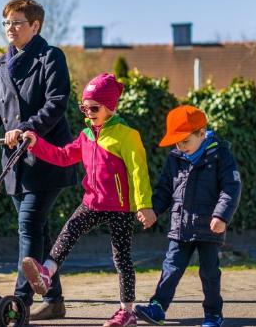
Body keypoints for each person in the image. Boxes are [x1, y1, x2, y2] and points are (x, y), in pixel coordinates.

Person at [0, 0, 75, 320]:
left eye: (17, 23)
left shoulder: (50, 57)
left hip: (47, 158)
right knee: (37, 231)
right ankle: (54, 300)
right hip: (15, 162)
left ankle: (19, 302)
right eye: (6, 23)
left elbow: (56, 103)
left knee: (28, 225)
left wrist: (28, 128)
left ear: (35, 25)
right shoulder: (1, 64)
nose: (9, 29)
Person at [20, 73, 155, 327]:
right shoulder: (86, 136)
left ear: (110, 107)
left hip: (121, 207)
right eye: (85, 107)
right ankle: (46, 273)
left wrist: (144, 205)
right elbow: (62, 156)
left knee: (122, 258)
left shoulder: (127, 135)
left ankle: (127, 312)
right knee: (68, 232)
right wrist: (36, 144)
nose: (89, 112)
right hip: (92, 201)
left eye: (95, 107)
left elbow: (139, 172)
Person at [133, 105, 242, 327]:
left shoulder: (220, 155)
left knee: (209, 272)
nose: (180, 147)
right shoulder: (175, 157)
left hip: (209, 227)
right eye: (176, 142)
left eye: (185, 141)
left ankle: (213, 314)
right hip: (180, 226)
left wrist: (221, 216)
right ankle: (158, 307)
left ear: (201, 134)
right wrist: (153, 210)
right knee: (171, 267)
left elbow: (231, 187)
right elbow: (165, 189)